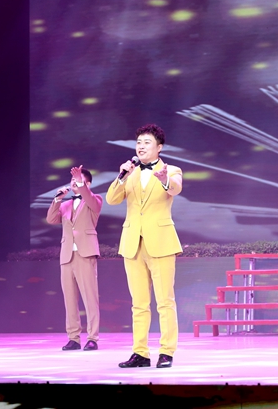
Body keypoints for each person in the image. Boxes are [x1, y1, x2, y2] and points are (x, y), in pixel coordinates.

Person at [106, 124, 182, 369]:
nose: (141, 146)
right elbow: (111, 199)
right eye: (138, 142)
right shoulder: (130, 173)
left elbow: (176, 188)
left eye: (147, 142)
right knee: (138, 304)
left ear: (159, 147)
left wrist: (165, 180)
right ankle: (140, 353)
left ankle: (166, 352)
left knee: (165, 301)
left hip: (160, 242)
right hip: (132, 243)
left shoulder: (172, 170)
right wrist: (121, 176)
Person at [46, 165, 102, 351]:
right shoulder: (65, 205)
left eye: (78, 180)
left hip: (85, 253)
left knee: (90, 298)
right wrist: (57, 199)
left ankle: (92, 338)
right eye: (72, 180)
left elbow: (90, 199)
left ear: (88, 184)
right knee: (69, 300)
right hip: (67, 255)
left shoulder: (94, 200)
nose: (74, 183)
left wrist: (80, 183)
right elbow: (51, 219)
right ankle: (73, 338)